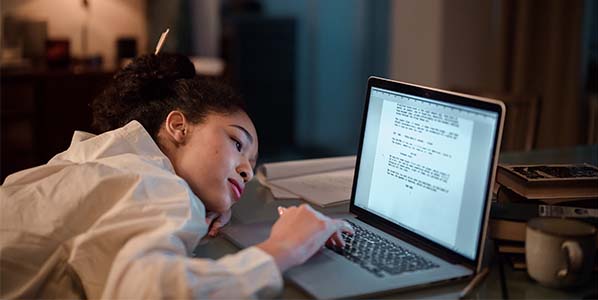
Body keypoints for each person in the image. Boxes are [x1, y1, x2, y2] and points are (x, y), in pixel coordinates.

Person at [0, 53, 353, 299]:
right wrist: (283, 247)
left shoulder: (102, 158)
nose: (247, 169)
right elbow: (147, 292)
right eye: (237, 143)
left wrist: (202, 199)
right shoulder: (156, 184)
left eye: (251, 162)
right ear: (178, 126)